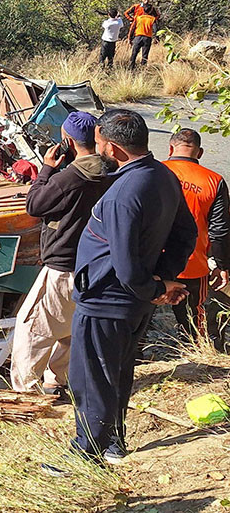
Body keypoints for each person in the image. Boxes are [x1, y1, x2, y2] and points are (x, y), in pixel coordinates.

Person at [59, 109, 195, 469]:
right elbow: (186, 233)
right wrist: (163, 279)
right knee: (116, 373)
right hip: (131, 301)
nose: (96, 149)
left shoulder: (124, 193)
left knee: (90, 378)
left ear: (114, 148)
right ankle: (113, 443)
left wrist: (154, 286)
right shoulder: (163, 175)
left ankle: (87, 453)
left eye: (99, 143)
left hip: (107, 299)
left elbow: (125, 263)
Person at [11, 111, 109, 396]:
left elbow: (35, 205)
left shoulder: (70, 177)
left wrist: (46, 169)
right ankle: (57, 381)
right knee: (70, 327)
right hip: (93, 264)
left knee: (32, 327)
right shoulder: (110, 172)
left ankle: (26, 393)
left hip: (62, 265)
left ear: (68, 141)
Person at [162, 128, 230, 343]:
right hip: (192, 264)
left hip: (151, 261)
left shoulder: (154, 172)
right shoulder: (214, 181)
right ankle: (195, 353)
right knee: (192, 322)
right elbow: (219, 230)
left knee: (139, 320)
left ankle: (136, 357)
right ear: (199, 153)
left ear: (171, 148)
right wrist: (221, 265)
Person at [127, 3, 158, 69]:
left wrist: (129, 38)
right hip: (147, 38)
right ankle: (142, 69)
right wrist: (156, 38)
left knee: (134, 53)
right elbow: (155, 30)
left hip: (138, 37)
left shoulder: (138, 18)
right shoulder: (152, 19)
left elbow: (132, 28)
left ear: (143, 10)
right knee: (145, 55)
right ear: (150, 11)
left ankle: (131, 68)